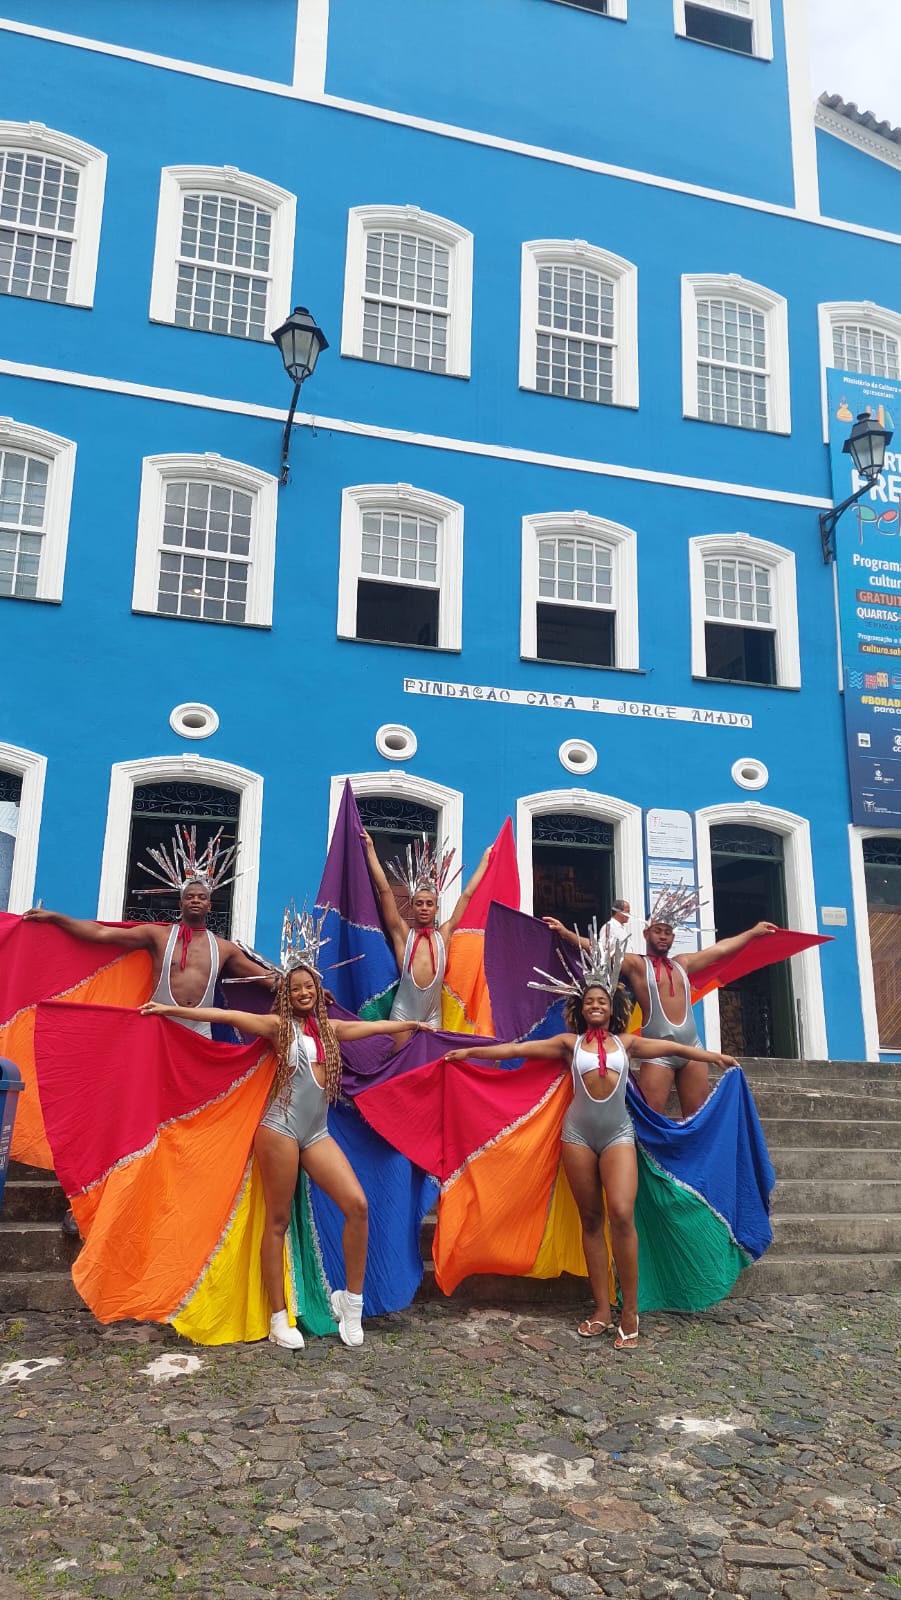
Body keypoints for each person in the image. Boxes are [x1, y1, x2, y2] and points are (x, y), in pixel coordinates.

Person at [141, 905, 431, 1351]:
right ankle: (279, 1317)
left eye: (308, 986)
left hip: (316, 1134)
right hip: (278, 1130)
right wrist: (165, 1008)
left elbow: (374, 1027)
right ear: (286, 994)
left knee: (357, 1205)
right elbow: (228, 1018)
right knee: (276, 1222)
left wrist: (413, 1024)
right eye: (295, 988)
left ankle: (350, 1303)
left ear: (318, 990)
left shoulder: (331, 1031)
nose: (303, 993)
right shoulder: (278, 1028)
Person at [444, 924, 738, 1348]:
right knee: (592, 1220)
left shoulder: (628, 1043)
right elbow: (515, 1050)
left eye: (602, 1000)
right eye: (589, 1001)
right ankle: (601, 1309)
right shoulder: (568, 1044)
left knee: (621, 1213)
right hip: (577, 1137)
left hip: (618, 1135)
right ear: (581, 1009)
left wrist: (713, 1056)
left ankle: (630, 1310)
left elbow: (678, 1049)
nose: (596, 1005)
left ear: (612, 1006)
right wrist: (470, 1052)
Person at [545, 884, 775, 1119]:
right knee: (649, 1118)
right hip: (657, 1052)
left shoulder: (683, 963)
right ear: (646, 934)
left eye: (667, 932)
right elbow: (601, 950)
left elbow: (721, 949)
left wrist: (752, 932)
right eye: (657, 931)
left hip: (692, 1048)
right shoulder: (637, 965)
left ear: (673, 937)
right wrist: (567, 934)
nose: (663, 936)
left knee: (697, 1118)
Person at [24, 827, 272, 1037]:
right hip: (157, 1023)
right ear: (181, 903)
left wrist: (295, 981)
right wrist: (57, 918)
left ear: (209, 905)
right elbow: (101, 934)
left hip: (200, 1031)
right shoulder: (158, 936)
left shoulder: (224, 948)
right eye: (190, 897)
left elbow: (266, 979)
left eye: (201, 897)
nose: (195, 900)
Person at [361, 831, 491, 1027]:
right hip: (402, 1014)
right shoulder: (402, 934)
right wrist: (370, 849)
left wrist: (485, 861)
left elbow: (467, 895)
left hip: (433, 1017)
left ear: (436, 908)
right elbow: (385, 890)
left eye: (429, 904)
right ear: (411, 906)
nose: (424, 908)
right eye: (419, 903)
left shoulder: (444, 935)